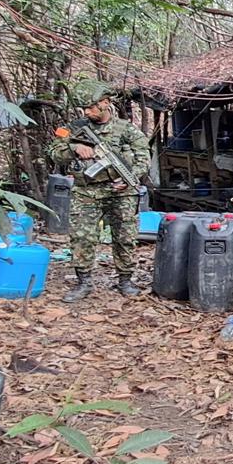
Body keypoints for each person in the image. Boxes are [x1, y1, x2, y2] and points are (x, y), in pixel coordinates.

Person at [49, 80, 150, 302]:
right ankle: (83, 282)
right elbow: (54, 152)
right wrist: (75, 148)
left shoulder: (126, 130)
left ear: (105, 103)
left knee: (125, 237)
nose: (87, 112)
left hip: (121, 192)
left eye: (91, 107)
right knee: (82, 237)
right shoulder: (73, 128)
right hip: (86, 192)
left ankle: (125, 280)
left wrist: (130, 178)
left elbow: (144, 158)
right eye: (84, 108)